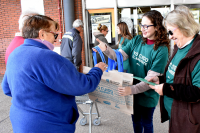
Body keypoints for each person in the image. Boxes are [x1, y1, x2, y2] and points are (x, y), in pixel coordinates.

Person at [1, 15, 107, 133]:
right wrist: (98, 69)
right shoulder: (46, 57)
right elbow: (82, 85)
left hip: (21, 122)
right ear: (42, 34)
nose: (56, 39)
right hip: (48, 125)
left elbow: (6, 88)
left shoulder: (15, 53)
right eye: (54, 35)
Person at [94, 10, 170, 133]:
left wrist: (131, 89)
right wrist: (105, 49)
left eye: (146, 26)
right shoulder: (137, 40)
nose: (143, 29)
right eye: (141, 25)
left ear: (157, 27)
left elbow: (150, 80)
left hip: (147, 95)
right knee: (135, 121)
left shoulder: (162, 50)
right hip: (132, 91)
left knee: (146, 122)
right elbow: (119, 56)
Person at [148, 5, 200, 133]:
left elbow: (197, 92)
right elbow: (176, 75)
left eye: (171, 31)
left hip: (188, 122)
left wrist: (166, 89)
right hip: (176, 115)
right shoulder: (179, 47)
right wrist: (161, 79)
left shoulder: (197, 54)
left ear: (183, 27)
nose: (169, 36)